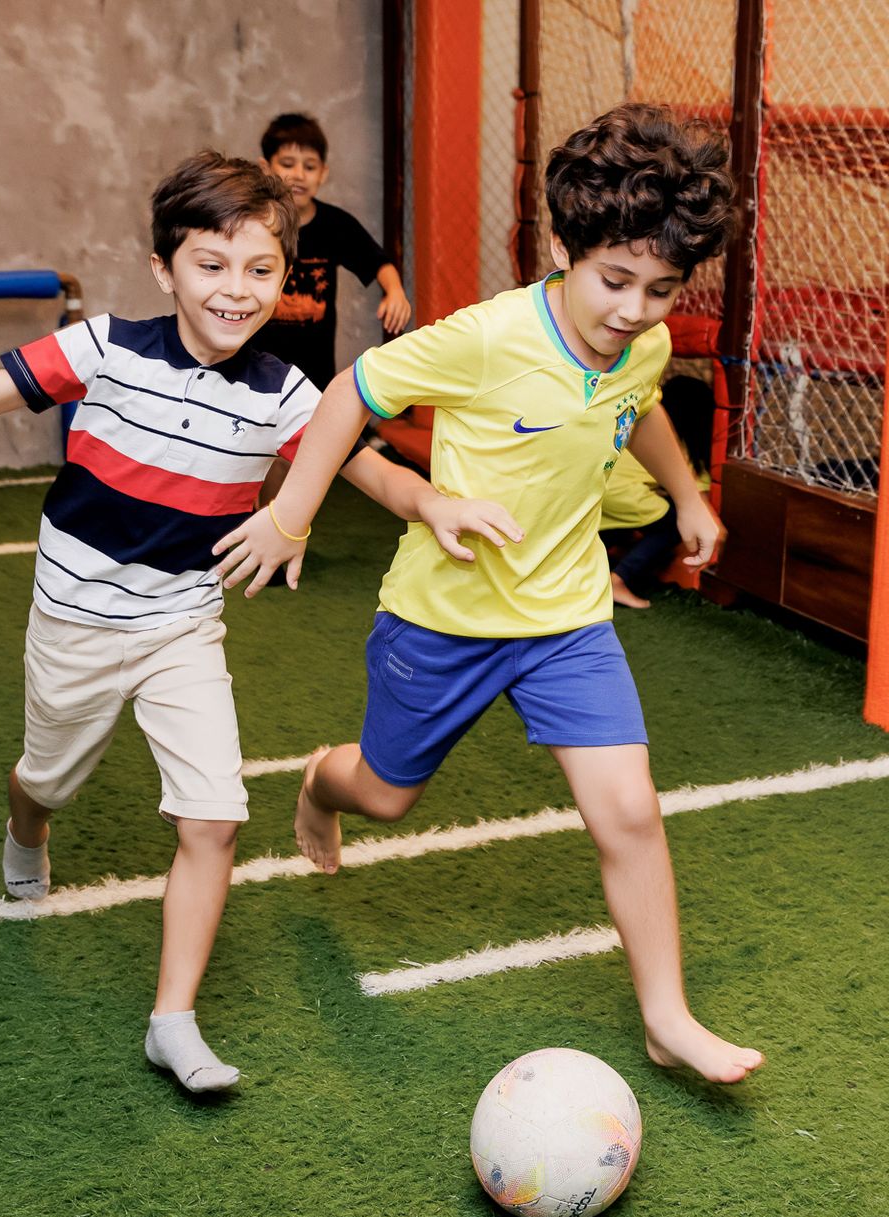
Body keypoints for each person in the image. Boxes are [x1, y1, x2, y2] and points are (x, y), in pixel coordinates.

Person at [0, 151, 513, 1095]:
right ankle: (26, 824)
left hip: (182, 626)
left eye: (261, 271)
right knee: (47, 779)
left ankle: (172, 1020)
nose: (237, 291)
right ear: (165, 269)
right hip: (74, 618)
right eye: (212, 265)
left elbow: (363, 463)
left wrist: (431, 504)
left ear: (286, 278)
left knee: (214, 817)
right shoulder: (108, 346)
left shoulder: (284, 390)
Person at [213, 104, 765, 1085]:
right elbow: (350, 393)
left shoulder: (640, 340)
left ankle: (666, 1016)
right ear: (561, 248)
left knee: (629, 812)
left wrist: (685, 496)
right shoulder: (486, 337)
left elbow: (638, 406)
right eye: (616, 280)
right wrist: (291, 515)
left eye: (662, 289)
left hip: (564, 618)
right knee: (387, 792)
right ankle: (319, 783)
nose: (637, 309)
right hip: (446, 615)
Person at [254, 112, 412, 391]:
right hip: (255, 366)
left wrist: (395, 291)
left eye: (310, 166)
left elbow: (379, 262)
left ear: (323, 173)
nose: (299, 175)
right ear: (266, 168)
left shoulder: (335, 225)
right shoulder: (252, 223)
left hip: (314, 374)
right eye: (288, 164)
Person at [602, 374, 715, 608]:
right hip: (624, 496)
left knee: (625, 523)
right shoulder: (680, 447)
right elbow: (698, 500)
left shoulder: (635, 429)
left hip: (598, 490)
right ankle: (618, 580)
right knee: (674, 521)